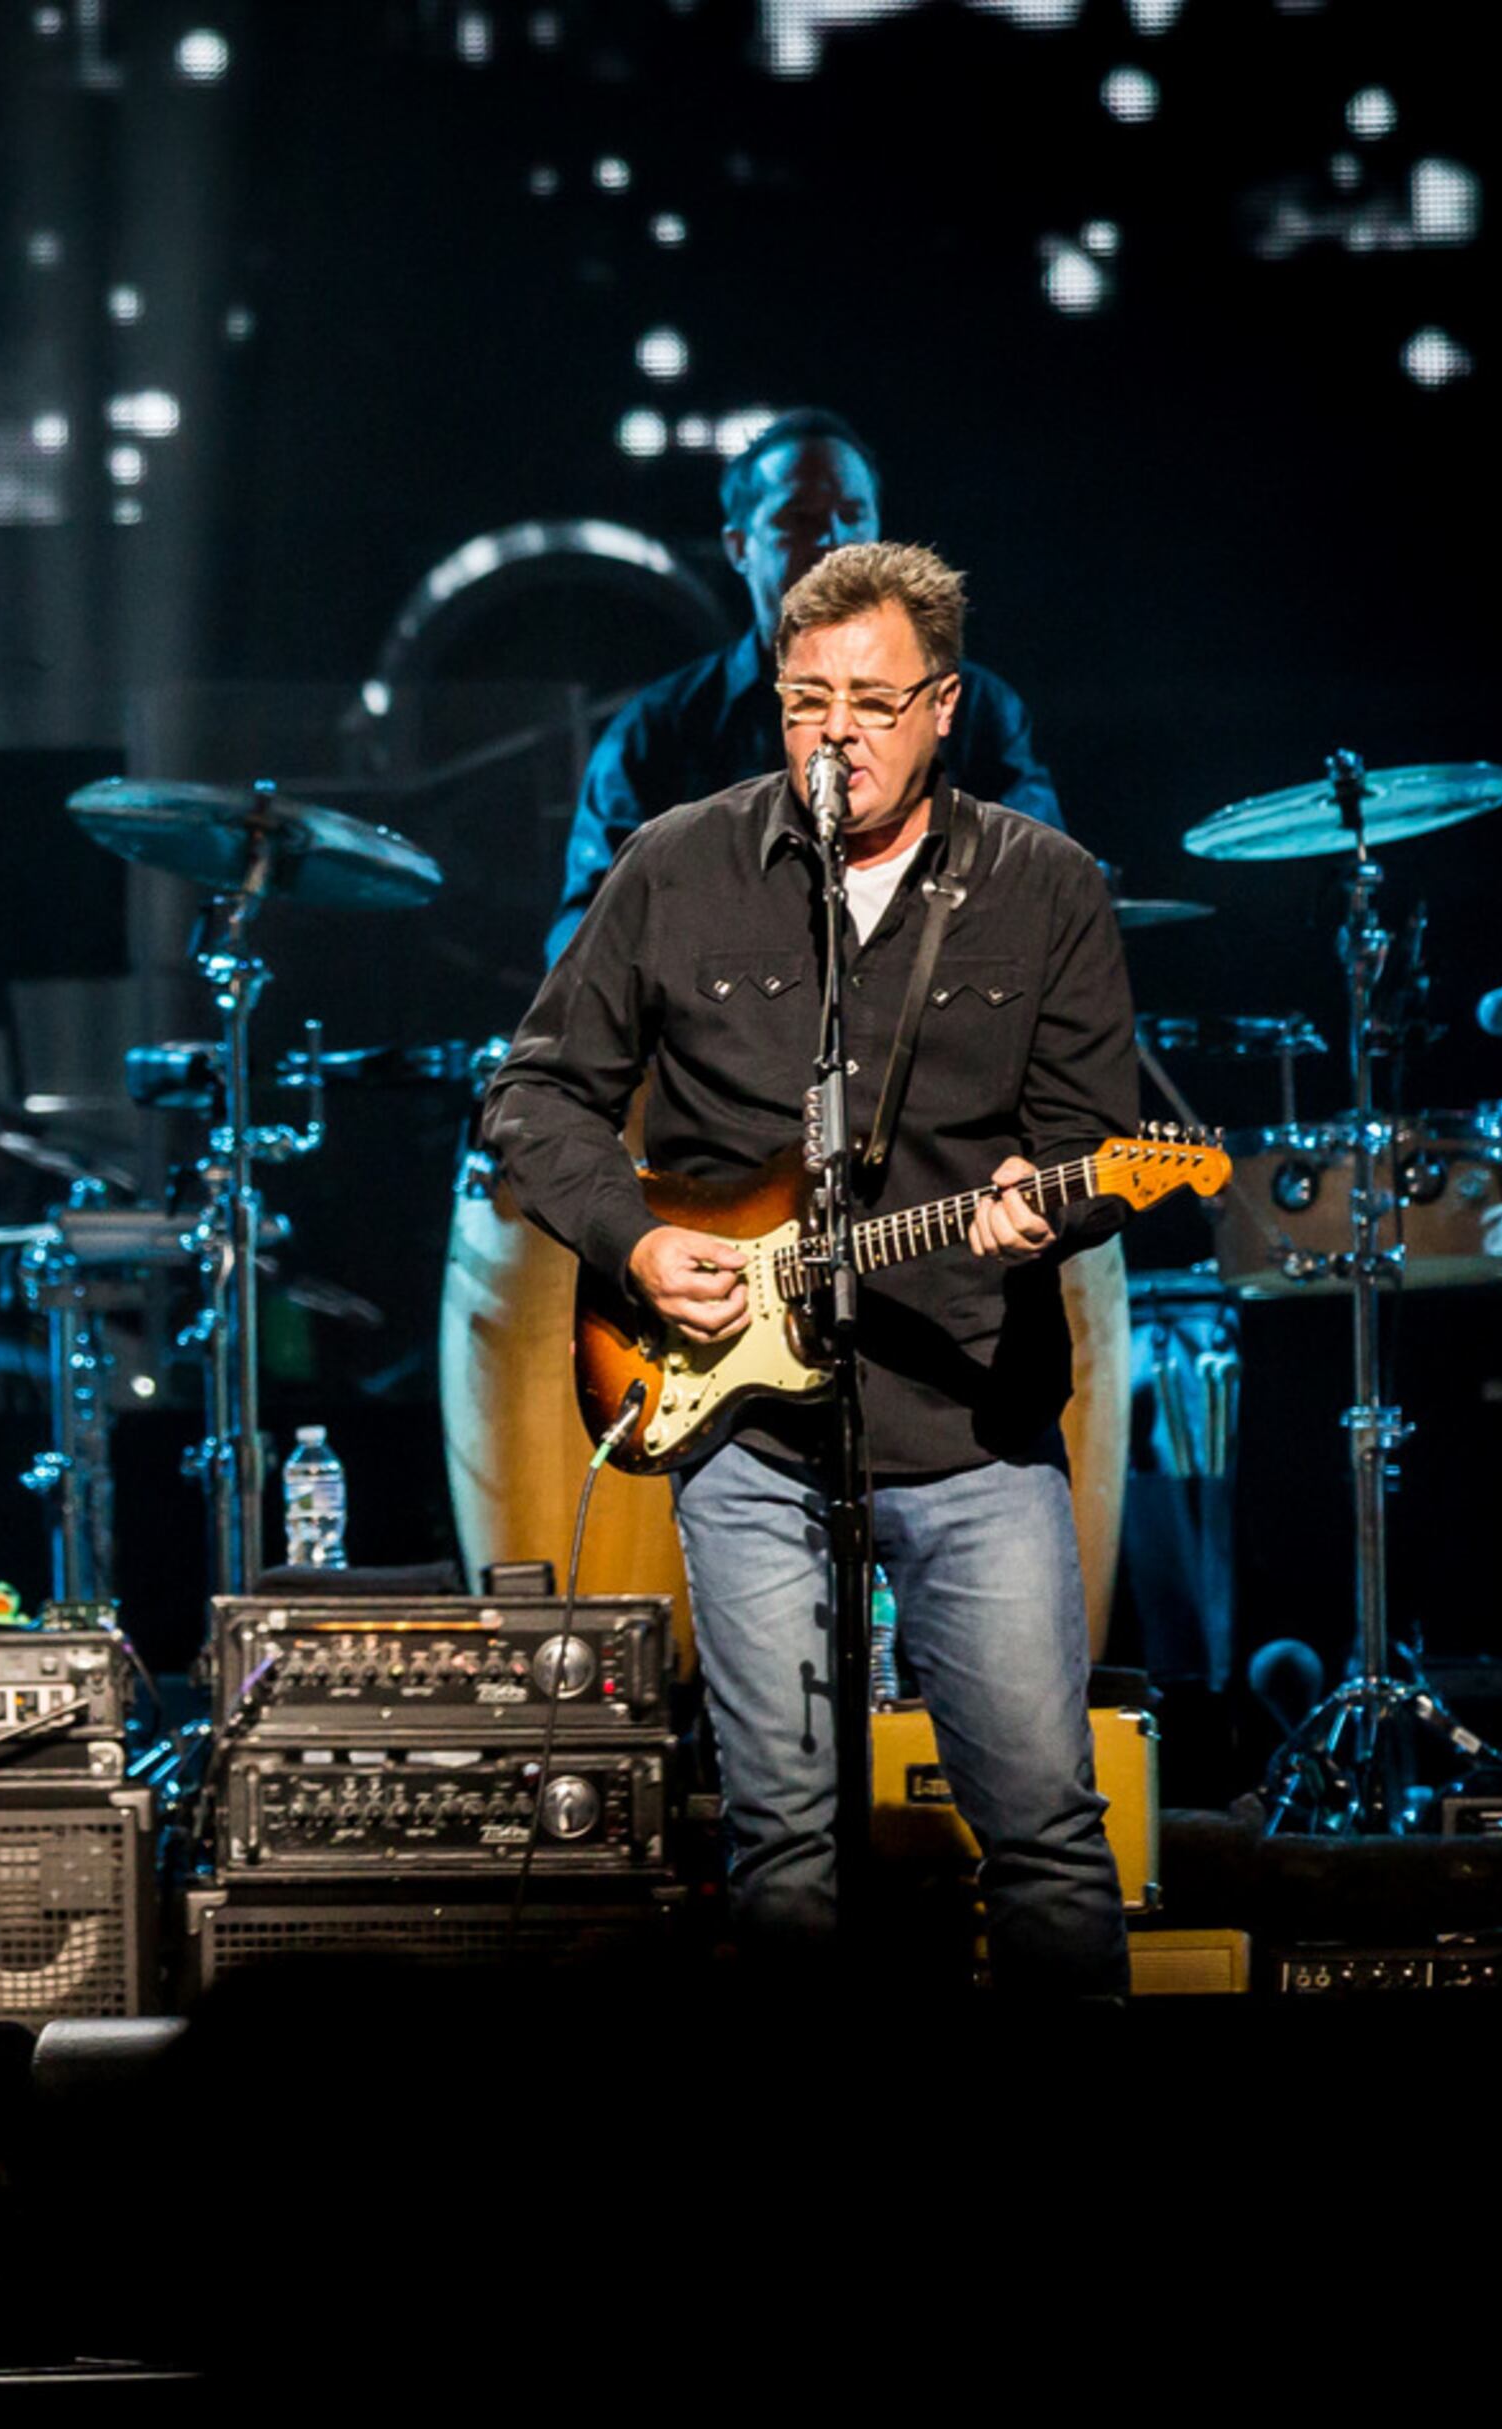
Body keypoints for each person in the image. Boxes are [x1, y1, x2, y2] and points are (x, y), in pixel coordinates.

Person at [481, 541, 1135, 1994]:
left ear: (945, 706)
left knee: (1042, 1828)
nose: (836, 732)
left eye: (874, 701)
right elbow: (533, 1098)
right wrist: (641, 1242)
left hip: (971, 1417)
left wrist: (1056, 1203)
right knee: (780, 1841)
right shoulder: (677, 863)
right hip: (748, 1427)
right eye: (805, 701)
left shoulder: (1046, 888)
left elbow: (1096, 1139)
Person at [545, 408, 1059, 966]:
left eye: (852, 515)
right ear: (739, 547)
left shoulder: (974, 709)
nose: (835, 541)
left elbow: (1039, 888)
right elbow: (588, 929)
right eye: (800, 519)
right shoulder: (655, 731)